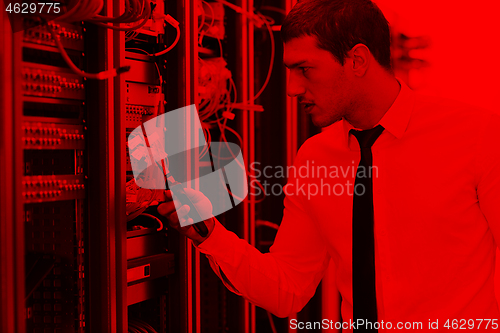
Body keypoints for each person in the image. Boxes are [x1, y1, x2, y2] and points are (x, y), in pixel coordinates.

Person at [158, 0, 500, 331]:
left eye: (305, 69)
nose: (292, 89)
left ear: (357, 60)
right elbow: (287, 289)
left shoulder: (476, 136)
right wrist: (208, 233)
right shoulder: (316, 156)